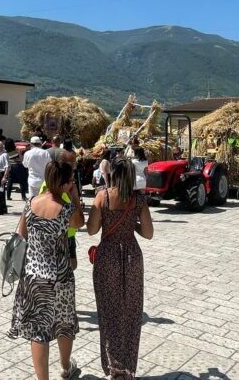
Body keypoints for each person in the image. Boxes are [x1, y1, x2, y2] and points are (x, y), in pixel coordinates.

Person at [8, 160, 85, 380]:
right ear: (65, 182)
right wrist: (75, 195)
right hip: (59, 276)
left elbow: (21, 234)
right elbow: (80, 223)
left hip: (33, 275)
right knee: (64, 323)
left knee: (39, 331)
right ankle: (65, 367)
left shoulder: (31, 202)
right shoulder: (66, 209)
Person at [86, 158, 154, 379]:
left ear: (112, 173)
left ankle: (113, 367)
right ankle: (128, 367)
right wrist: (130, 222)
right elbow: (148, 233)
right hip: (132, 258)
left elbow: (92, 230)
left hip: (107, 258)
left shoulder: (102, 196)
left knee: (108, 312)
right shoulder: (138, 200)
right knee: (131, 313)